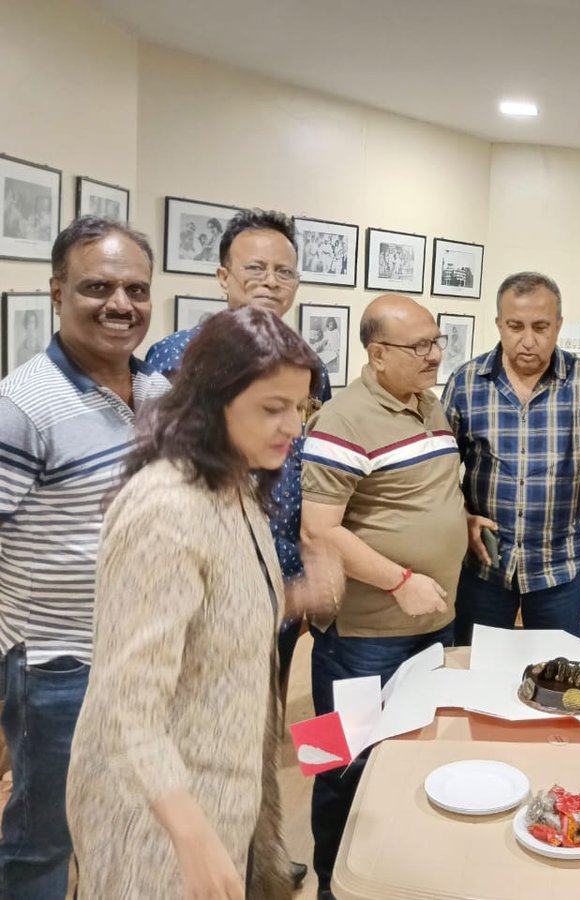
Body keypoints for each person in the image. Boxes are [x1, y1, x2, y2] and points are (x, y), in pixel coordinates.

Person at [66, 307, 323, 899]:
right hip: (157, 817)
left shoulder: (237, 484)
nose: (293, 426)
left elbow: (215, 617)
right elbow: (125, 703)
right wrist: (190, 834)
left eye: (300, 406)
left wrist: (293, 598)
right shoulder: (166, 508)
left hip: (225, 793)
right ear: (214, 401)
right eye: (273, 408)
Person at [145, 207, 331, 890]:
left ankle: (261, 860)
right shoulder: (175, 359)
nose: (270, 282)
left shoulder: (303, 362)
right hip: (204, 586)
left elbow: (303, 469)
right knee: (201, 737)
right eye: (255, 268)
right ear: (223, 277)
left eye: (284, 271)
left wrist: (306, 566)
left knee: (262, 732)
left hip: (277, 584)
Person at [0, 217, 168, 899]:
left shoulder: (158, 394)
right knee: (45, 839)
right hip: (57, 665)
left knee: (124, 819)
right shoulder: (22, 405)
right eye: (98, 287)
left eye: (136, 289)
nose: (120, 304)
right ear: (57, 292)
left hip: (144, 653)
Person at [301, 294, 471, 900]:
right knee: (337, 763)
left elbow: (418, 495)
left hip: (431, 624)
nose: (434, 355)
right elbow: (319, 530)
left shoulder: (428, 404)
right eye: (418, 346)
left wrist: (462, 523)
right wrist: (400, 580)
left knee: (412, 756)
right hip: (360, 638)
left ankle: (394, 876)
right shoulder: (341, 421)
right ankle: (332, 885)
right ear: (377, 355)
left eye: (436, 341)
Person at [444, 271, 580, 645]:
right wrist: (460, 516)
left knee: (556, 669)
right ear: (499, 324)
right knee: (479, 667)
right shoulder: (466, 382)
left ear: (558, 326)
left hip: (557, 569)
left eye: (541, 327)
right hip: (485, 565)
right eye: (515, 326)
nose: (528, 341)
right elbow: (438, 470)